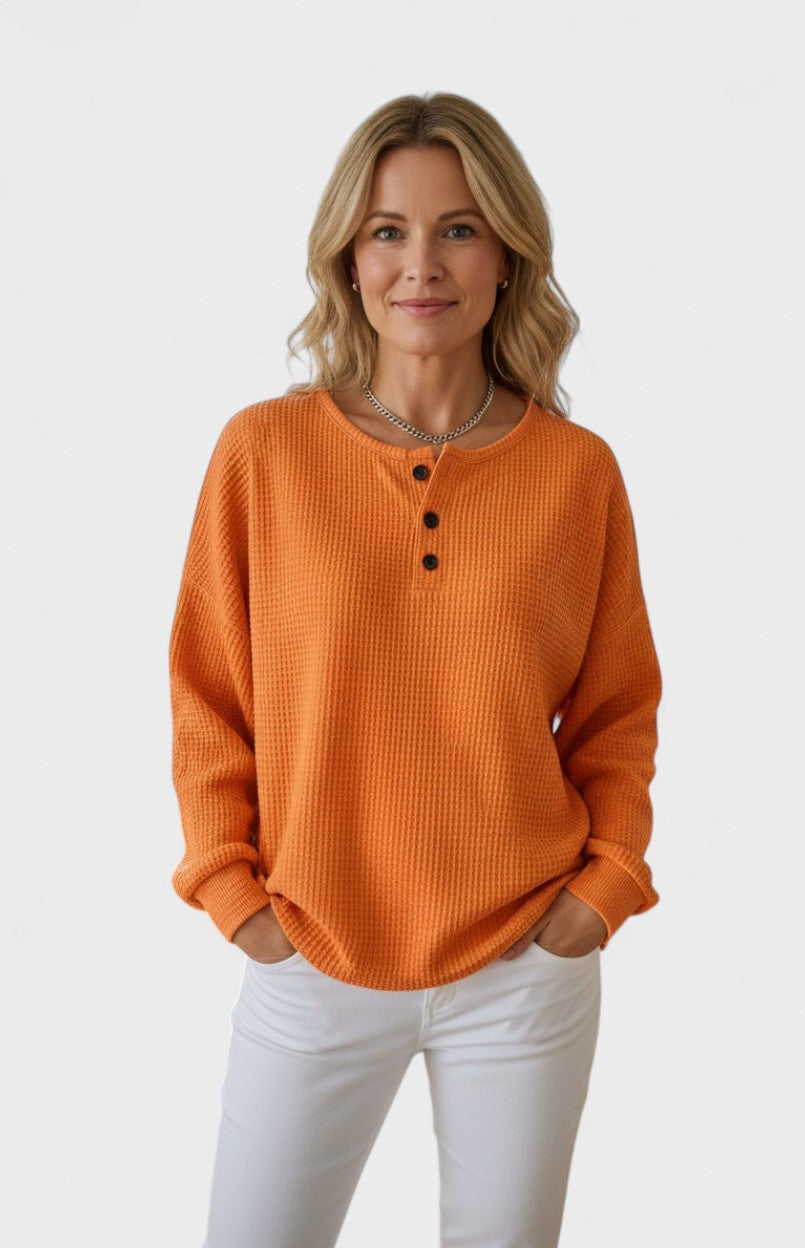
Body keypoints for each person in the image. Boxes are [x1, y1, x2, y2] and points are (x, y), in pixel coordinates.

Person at [168, 90, 662, 1248]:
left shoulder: (576, 473)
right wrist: (234, 894)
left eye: (458, 229)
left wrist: (598, 893)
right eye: (387, 230)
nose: (420, 264)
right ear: (348, 258)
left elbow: (616, 710)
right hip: (312, 947)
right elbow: (208, 695)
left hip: (523, 961)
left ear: (507, 255)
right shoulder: (264, 454)